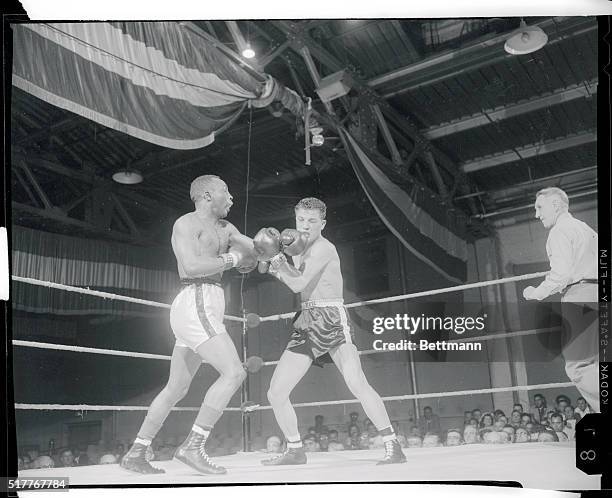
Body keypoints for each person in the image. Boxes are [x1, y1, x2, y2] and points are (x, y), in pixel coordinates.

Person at [121, 175, 257, 475]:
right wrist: (235, 258)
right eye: (225, 191)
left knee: (176, 388)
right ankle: (194, 445)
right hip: (196, 300)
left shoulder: (226, 228)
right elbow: (193, 266)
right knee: (234, 373)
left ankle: (136, 452)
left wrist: (279, 244)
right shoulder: (186, 224)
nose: (231, 197)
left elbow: (257, 249)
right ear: (207, 195)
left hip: (205, 305)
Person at [257, 198, 406, 466]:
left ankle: (393, 445)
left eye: (312, 221)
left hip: (330, 317)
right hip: (307, 318)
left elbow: (298, 282)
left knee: (357, 382)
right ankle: (295, 449)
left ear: (322, 224)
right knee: (276, 392)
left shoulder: (324, 249)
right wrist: (273, 264)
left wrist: (276, 261)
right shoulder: (299, 248)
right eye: (301, 220)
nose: (305, 226)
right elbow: (294, 278)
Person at [523, 187, 599, 412]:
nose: (536, 215)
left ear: (556, 205)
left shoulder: (559, 231)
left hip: (580, 296)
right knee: (596, 363)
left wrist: (534, 292)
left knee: (578, 366)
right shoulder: (585, 228)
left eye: (539, 207)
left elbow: (561, 275)